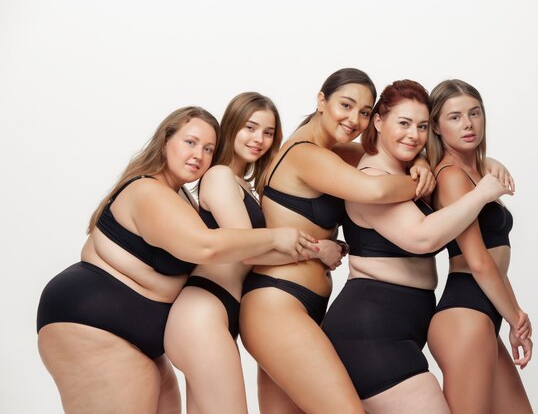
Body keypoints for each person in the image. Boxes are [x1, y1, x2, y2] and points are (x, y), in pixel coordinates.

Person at [36, 106, 318, 414]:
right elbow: (206, 247)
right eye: (190, 142)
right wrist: (279, 237)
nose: (199, 155)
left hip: (142, 341)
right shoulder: (147, 190)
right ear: (165, 140)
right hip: (92, 326)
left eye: (208, 149)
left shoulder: (184, 200)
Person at [238, 68, 444, 414]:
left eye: (365, 112)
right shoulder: (304, 153)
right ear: (321, 100)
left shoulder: (335, 152)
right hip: (276, 304)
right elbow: (375, 187)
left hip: (306, 306)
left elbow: (386, 151)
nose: (354, 120)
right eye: (346, 105)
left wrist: (421, 160)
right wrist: (421, 182)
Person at [322, 79, 514, 414]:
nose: (413, 134)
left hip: (404, 329)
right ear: (379, 122)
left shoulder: (407, 174)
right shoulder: (371, 180)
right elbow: (423, 236)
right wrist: (482, 193)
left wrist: (484, 162)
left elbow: (446, 162)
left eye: (422, 126)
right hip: (370, 331)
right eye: (404, 123)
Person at [164, 94, 344, 414]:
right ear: (232, 126)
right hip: (203, 311)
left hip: (215, 314)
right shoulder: (218, 176)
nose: (258, 139)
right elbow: (247, 250)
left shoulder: (244, 185)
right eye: (250, 127)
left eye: (268, 132)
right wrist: (318, 250)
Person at [426, 79, 533, 414]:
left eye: (474, 113)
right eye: (455, 117)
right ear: (437, 127)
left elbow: (495, 263)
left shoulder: (479, 172)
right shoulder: (451, 176)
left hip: (485, 312)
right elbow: (477, 261)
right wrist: (515, 317)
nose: (468, 123)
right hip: (464, 315)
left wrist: (516, 322)